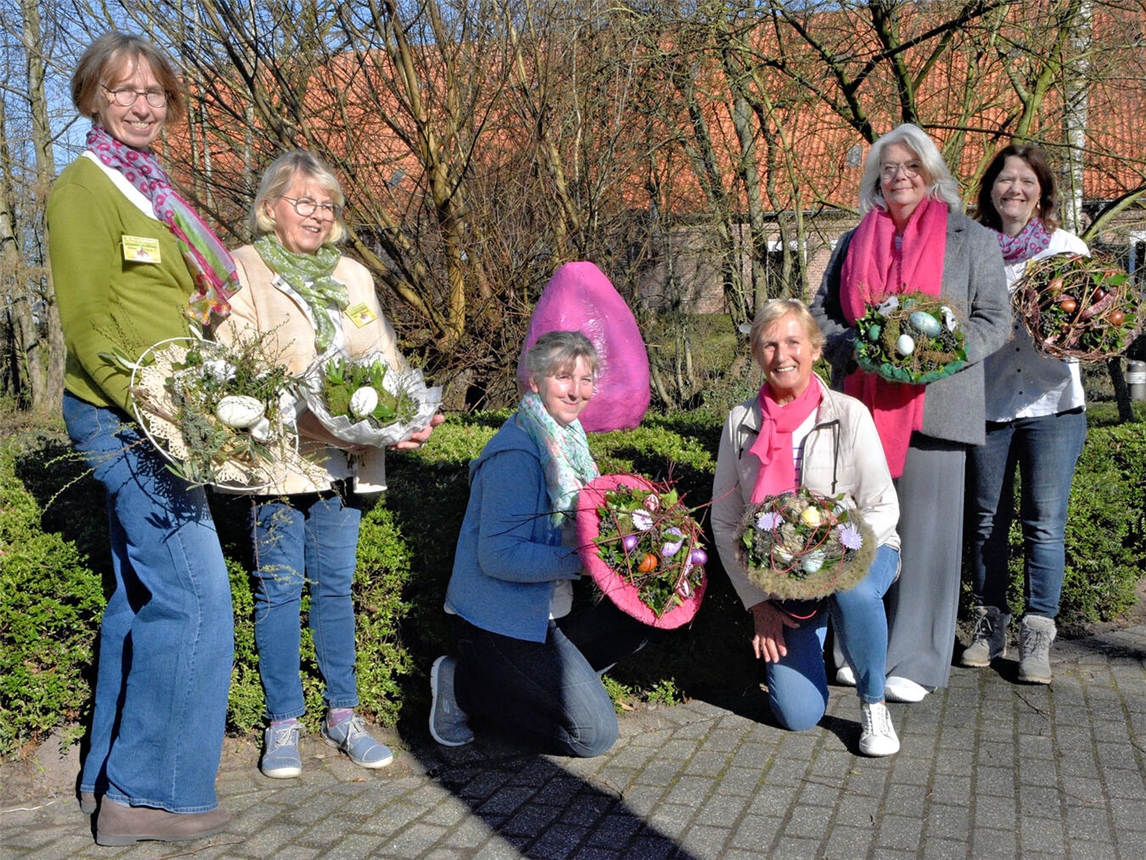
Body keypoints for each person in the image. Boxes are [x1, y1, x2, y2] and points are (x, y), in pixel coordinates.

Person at [47, 32, 238, 845]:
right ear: (93, 96)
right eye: (124, 90)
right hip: (130, 418)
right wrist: (164, 410)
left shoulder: (154, 192)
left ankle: (109, 785)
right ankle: (150, 793)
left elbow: (175, 301)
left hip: (172, 410)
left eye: (154, 93)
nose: (141, 105)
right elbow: (94, 326)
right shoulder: (82, 191)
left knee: (141, 597)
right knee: (197, 599)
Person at [215, 149, 441, 778]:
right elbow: (236, 371)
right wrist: (304, 417)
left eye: (326, 205)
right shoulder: (243, 270)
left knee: (336, 590)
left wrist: (408, 416)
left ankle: (345, 714)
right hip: (278, 462)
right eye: (302, 201)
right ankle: (283, 723)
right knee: (279, 592)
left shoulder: (353, 275)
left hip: (348, 462)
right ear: (269, 208)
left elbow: (385, 358)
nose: (316, 215)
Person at [811, 123, 1010, 703]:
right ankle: (855, 650)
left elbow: (994, 319)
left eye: (911, 167)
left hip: (936, 409)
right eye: (889, 168)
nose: (900, 177)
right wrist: (857, 347)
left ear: (932, 173)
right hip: (861, 409)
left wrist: (935, 353)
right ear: (877, 178)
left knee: (926, 542)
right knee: (859, 535)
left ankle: (915, 660)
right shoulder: (853, 241)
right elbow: (823, 311)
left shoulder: (972, 240)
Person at [429, 331, 650, 757]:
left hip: (549, 609)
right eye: (564, 377)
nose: (577, 391)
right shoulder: (518, 453)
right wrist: (587, 561)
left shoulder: (567, 442)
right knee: (593, 736)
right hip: (497, 621)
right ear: (535, 381)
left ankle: (534, 686)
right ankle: (463, 686)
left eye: (586, 380)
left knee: (639, 619)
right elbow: (498, 556)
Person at [711, 301, 903, 756]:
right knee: (798, 715)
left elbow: (881, 504)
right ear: (757, 353)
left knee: (852, 591)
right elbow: (724, 518)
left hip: (861, 550)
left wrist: (837, 552)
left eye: (794, 342)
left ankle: (873, 702)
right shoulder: (741, 422)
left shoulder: (849, 413)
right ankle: (820, 632)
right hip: (785, 581)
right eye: (770, 344)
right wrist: (758, 602)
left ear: (816, 350)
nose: (782, 355)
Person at [962, 145, 1090, 684]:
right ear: (990, 189)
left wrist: (1074, 332)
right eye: (1005, 179)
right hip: (988, 404)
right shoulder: (971, 247)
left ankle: (1038, 633)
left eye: (1026, 181)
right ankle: (989, 624)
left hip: (1053, 404)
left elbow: (1093, 317)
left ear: (1042, 192)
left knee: (1044, 524)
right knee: (986, 522)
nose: (1014, 188)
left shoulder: (1067, 248)